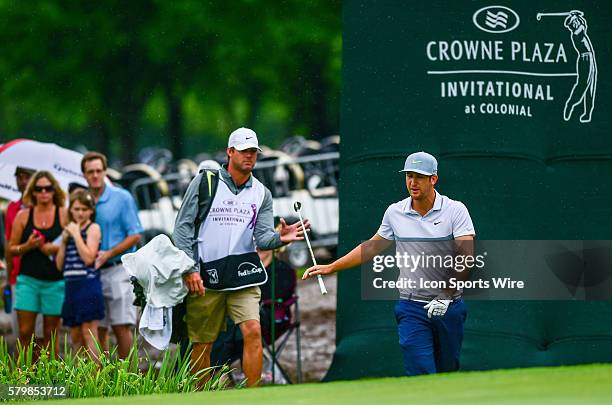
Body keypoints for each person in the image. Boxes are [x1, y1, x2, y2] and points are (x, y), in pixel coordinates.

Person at [303, 151, 476, 376]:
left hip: (449, 306)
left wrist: (445, 296)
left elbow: (466, 256)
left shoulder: (455, 210)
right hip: (411, 306)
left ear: (433, 179)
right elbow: (372, 247)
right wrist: (331, 266)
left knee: (447, 371)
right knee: (420, 372)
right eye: (409, 176)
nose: (412, 182)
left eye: (419, 177)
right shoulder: (395, 212)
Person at [174, 127, 308, 387]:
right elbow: (182, 227)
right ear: (230, 152)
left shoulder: (262, 193)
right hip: (205, 276)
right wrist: (189, 269)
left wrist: (281, 236)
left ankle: (252, 395)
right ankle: (200, 395)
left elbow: (263, 238)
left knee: (253, 331)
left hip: (244, 274)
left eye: (253, 152)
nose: (249, 156)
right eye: (244, 151)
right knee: (203, 342)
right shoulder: (205, 181)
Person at [81, 151, 143, 359]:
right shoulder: (83, 201)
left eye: (99, 171)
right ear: (84, 175)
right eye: (91, 172)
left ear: (105, 171)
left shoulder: (121, 197)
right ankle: (105, 379)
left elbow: (135, 235)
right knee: (98, 328)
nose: (95, 175)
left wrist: (108, 253)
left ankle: (128, 378)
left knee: (121, 326)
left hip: (117, 268)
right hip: (92, 272)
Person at [8, 171, 68, 353]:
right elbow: (11, 249)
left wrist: (55, 248)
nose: (43, 192)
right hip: (28, 281)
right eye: (39, 188)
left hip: (54, 282)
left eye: (48, 189)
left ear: (54, 191)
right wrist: (27, 246)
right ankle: (23, 378)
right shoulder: (23, 216)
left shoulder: (64, 215)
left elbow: (72, 244)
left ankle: (51, 380)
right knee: (25, 333)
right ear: (32, 191)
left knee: (51, 334)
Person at [56, 189, 104, 357]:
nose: (80, 213)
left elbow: (89, 258)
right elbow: (59, 265)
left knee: (88, 332)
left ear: (91, 210)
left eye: (84, 209)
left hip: (88, 285)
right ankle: (80, 378)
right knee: (75, 335)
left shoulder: (93, 228)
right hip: (71, 286)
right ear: (71, 210)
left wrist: (76, 235)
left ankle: (97, 377)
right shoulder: (69, 231)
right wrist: (63, 241)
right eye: (76, 209)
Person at [2, 167, 35, 342]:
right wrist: (8, 278)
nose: (23, 181)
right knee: (19, 332)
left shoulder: (45, 206)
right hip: (17, 275)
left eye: (27, 177)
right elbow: (8, 245)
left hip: (41, 276)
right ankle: (22, 369)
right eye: (19, 177)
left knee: (42, 334)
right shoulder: (12, 208)